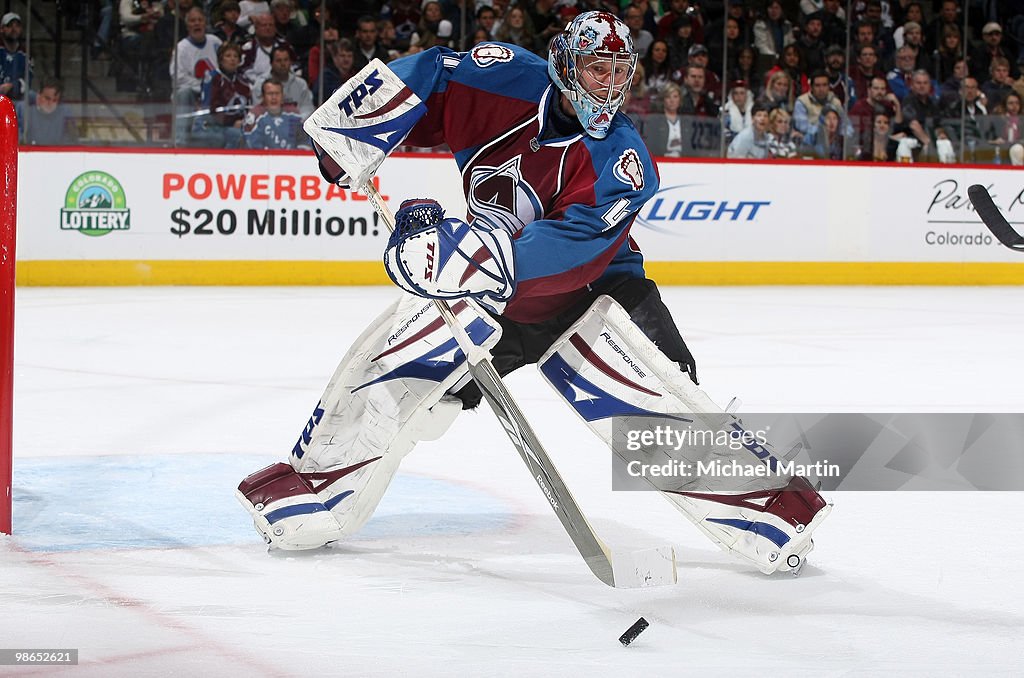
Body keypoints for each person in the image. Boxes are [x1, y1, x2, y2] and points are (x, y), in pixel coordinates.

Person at [237, 11, 828, 576]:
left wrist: (458, 257)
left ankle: (772, 514)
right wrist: (358, 132)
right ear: (567, 65)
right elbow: (436, 78)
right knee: (400, 381)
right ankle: (312, 492)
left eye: (623, 72)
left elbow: (569, 256)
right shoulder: (508, 79)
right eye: (600, 67)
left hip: (595, 293)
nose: (613, 83)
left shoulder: (624, 162)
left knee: (669, 392)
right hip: (489, 296)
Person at [171, 7, 223, 146]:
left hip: (215, 92)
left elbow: (224, 66)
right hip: (192, 93)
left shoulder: (215, 42)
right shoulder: (182, 47)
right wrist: (201, 87)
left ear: (205, 23)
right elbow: (178, 77)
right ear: (187, 25)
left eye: (200, 20)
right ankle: (180, 142)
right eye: (193, 21)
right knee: (183, 93)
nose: (197, 24)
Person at [193, 42, 252, 148]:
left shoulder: (243, 82)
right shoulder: (212, 78)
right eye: (228, 56)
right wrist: (233, 122)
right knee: (234, 135)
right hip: (208, 126)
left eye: (235, 56)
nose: (232, 59)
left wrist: (242, 122)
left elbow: (246, 108)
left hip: (230, 127)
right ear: (221, 59)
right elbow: (210, 109)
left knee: (246, 136)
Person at [242, 79, 308, 149]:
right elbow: (249, 143)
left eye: (277, 93)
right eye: (270, 94)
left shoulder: (294, 114)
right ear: (263, 96)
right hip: (263, 158)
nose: (274, 97)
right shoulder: (255, 115)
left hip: (292, 158)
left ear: (282, 96)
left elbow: (304, 141)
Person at [252, 45, 313, 117]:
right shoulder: (260, 84)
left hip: (296, 124)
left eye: (286, 60)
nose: (283, 64)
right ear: (271, 63)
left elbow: (307, 109)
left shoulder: (301, 84)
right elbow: (258, 110)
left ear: (290, 62)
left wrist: (295, 121)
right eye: (278, 60)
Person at [17, 79, 78, 145]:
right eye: (47, 98)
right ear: (38, 97)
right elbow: (16, 139)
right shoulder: (23, 110)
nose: (50, 103)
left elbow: (71, 140)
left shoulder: (65, 113)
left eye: (55, 100)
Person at [641, 81, 684, 156]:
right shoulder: (655, 121)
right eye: (668, 97)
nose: (672, 100)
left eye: (675, 97)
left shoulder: (686, 121)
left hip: (685, 161)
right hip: (662, 160)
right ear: (663, 100)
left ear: (680, 99)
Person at [0, 12, 30, 101]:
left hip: (16, 100)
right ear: (1, 29)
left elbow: (28, 81)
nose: (14, 29)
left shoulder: (25, 54)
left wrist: (12, 85)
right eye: (9, 26)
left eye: (17, 26)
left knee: (31, 96)